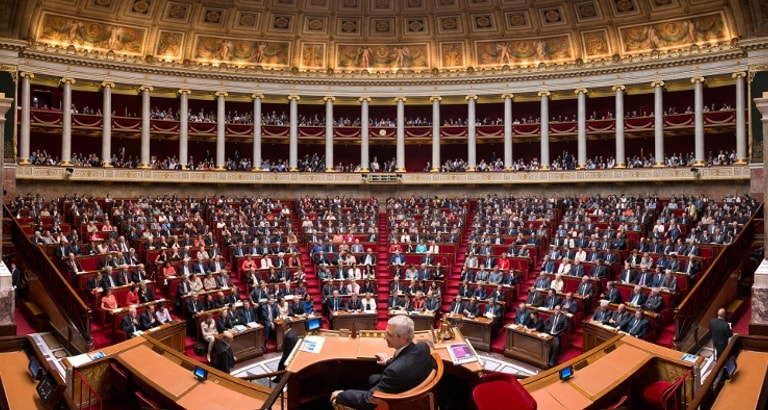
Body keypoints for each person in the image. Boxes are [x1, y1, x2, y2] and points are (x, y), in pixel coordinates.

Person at [331, 315, 433, 410]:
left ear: (404, 337)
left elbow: (369, 400)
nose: (384, 337)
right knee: (372, 378)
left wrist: (342, 395)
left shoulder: (394, 372)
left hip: (397, 402)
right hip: (412, 387)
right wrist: (388, 361)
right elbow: (407, 361)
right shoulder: (423, 347)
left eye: (389, 334)